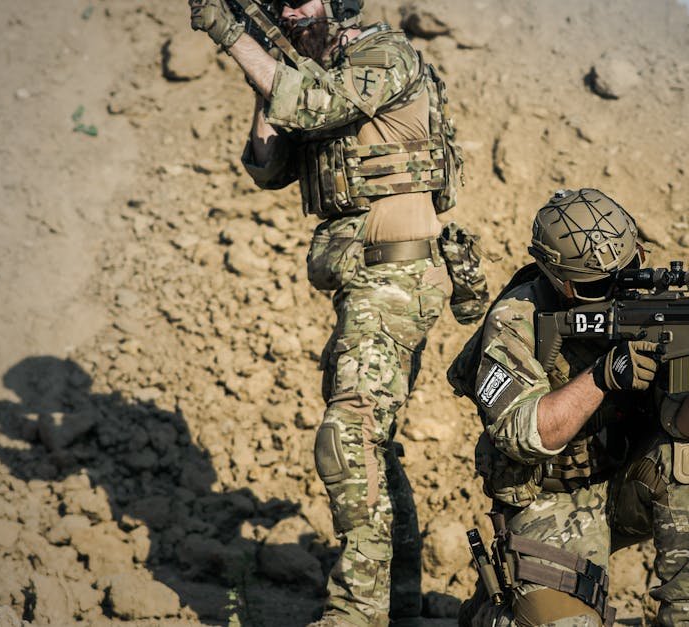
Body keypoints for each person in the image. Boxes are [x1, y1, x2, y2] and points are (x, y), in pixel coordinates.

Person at [189, 1, 483, 625]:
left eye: (303, 0)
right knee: (372, 442)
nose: (292, 13)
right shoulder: (320, 70)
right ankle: (398, 604)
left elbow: (309, 104)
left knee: (346, 436)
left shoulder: (382, 57)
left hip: (397, 277)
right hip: (367, 283)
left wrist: (233, 34)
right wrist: (265, 72)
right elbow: (266, 165)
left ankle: (357, 613)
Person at [450, 189, 689, 627]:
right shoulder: (515, 318)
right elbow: (523, 434)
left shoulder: (659, 312)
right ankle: (495, 612)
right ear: (560, 282)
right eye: (598, 286)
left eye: (630, 271)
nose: (619, 289)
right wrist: (603, 376)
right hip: (551, 501)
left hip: (625, 487)